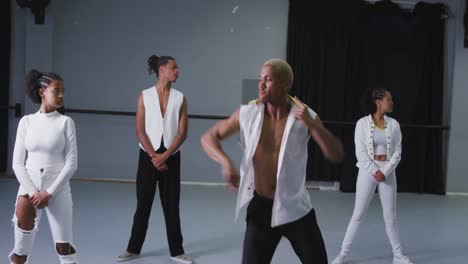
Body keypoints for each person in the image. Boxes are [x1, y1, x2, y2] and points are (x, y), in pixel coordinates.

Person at [201, 59, 344, 264]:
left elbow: (336, 154)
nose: (261, 85)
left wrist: (314, 126)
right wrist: (225, 162)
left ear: (285, 84)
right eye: (260, 79)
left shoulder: (306, 116)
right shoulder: (247, 114)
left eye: (268, 80)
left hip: (295, 207)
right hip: (261, 208)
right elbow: (208, 137)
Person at [117, 55, 193, 264]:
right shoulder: (144, 96)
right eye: (174, 67)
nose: (178, 71)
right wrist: (154, 156)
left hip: (172, 157)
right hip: (147, 157)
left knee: (171, 206)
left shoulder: (180, 98)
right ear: (162, 69)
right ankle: (133, 249)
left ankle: (177, 251)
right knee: (143, 204)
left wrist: (165, 156)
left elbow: (182, 133)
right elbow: (140, 130)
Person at [331, 88, 413, 264]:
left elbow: (398, 152)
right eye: (389, 99)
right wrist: (374, 170)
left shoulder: (394, 125)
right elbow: (360, 153)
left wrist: (384, 171)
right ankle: (343, 254)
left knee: (390, 216)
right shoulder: (361, 124)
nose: (392, 102)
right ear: (378, 102)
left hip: (388, 173)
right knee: (358, 215)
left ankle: (398, 256)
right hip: (367, 172)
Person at [9, 70, 78, 264]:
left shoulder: (66, 123)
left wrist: (48, 193)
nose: (61, 95)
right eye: (56, 91)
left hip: (57, 191)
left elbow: (72, 164)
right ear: (42, 92)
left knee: (64, 248)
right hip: (28, 191)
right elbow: (17, 164)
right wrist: (33, 193)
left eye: (63, 91)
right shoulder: (27, 122)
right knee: (20, 252)